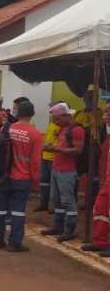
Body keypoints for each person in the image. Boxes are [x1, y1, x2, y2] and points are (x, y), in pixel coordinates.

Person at [0, 101, 42, 252]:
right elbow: (35, 161)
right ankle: (15, 242)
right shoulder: (35, 134)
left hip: (3, 176)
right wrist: (35, 181)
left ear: (17, 113)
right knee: (18, 211)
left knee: (0, 209)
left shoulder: (7, 129)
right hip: (22, 178)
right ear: (32, 114)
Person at [41, 103, 84, 242]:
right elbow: (62, 146)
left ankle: (69, 229)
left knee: (68, 201)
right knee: (56, 199)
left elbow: (78, 151)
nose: (55, 122)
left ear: (66, 116)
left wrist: (55, 150)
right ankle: (58, 226)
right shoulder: (63, 129)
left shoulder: (76, 129)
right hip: (57, 168)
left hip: (68, 170)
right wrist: (53, 147)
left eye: (57, 119)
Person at [82, 104, 110, 256]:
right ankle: (101, 241)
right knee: (100, 209)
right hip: (107, 179)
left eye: (108, 112)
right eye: (105, 112)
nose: (104, 115)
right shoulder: (107, 134)